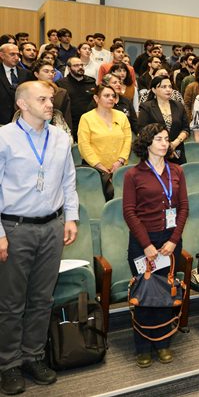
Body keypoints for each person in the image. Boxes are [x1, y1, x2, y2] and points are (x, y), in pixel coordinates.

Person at [0, 81, 79, 395]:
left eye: (50, 99)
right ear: (22, 103)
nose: (50, 104)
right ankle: (8, 363)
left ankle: (33, 356)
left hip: (52, 227)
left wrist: (70, 217)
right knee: (10, 302)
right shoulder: (4, 137)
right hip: (15, 228)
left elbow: (69, 180)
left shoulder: (59, 137)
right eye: (42, 99)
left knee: (42, 299)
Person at [122, 123, 189, 368]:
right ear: (147, 143)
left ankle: (163, 343)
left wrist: (173, 240)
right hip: (143, 244)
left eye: (166, 139)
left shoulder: (176, 171)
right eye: (158, 138)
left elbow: (184, 208)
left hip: (170, 242)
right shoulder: (133, 175)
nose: (164, 143)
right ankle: (142, 347)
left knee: (164, 293)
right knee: (144, 294)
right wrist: (146, 245)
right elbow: (129, 212)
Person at [77, 84, 132, 200]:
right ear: (96, 98)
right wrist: (100, 167)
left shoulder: (121, 116)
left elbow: (127, 140)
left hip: (119, 168)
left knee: (121, 201)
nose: (111, 98)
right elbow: (84, 145)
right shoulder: (86, 118)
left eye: (113, 96)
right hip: (95, 170)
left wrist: (120, 161)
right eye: (107, 96)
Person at [137, 76, 190, 165]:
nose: (168, 89)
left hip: (177, 151)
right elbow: (142, 131)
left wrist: (174, 144)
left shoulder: (179, 106)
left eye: (170, 86)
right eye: (164, 87)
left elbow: (186, 129)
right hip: (155, 152)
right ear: (154, 90)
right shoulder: (146, 107)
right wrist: (164, 144)